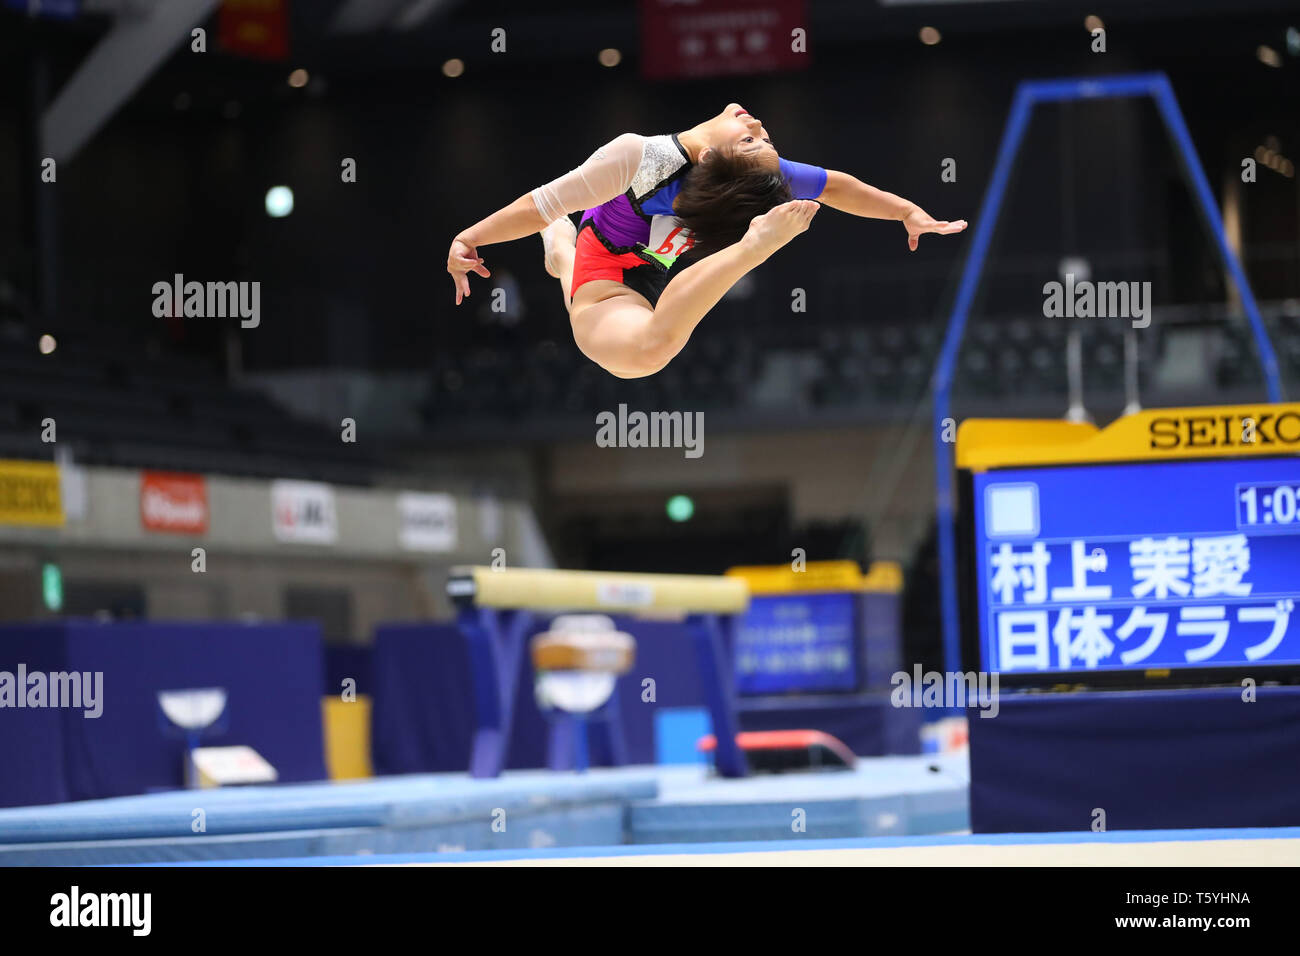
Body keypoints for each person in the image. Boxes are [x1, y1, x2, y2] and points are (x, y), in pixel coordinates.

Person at [447, 103, 967, 378]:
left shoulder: (744, 172)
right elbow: (542, 204)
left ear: (717, 160)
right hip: (608, 273)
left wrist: (903, 214)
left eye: (751, 139)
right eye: (760, 138)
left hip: (671, 275)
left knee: (636, 349)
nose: (758, 124)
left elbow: (837, 190)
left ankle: (561, 250)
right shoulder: (638, 158)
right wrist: (906, 212)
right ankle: (563, 248)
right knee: (646, 351)